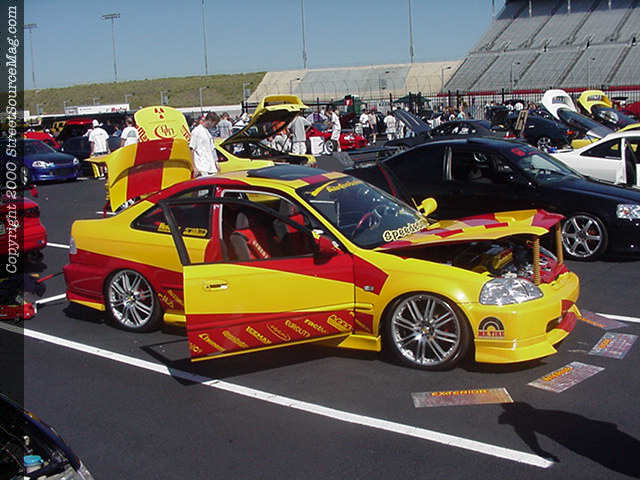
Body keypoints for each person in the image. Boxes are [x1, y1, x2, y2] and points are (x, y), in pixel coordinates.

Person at [189, 112, 220, 177]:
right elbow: (191, 149)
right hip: (202, 168)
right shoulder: (196, 131)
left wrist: (216, 163)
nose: (214, 126)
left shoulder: (208, 132)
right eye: (214, 124)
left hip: (211, 168)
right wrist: (194, 167)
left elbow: (212, 149)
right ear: (210, 121)